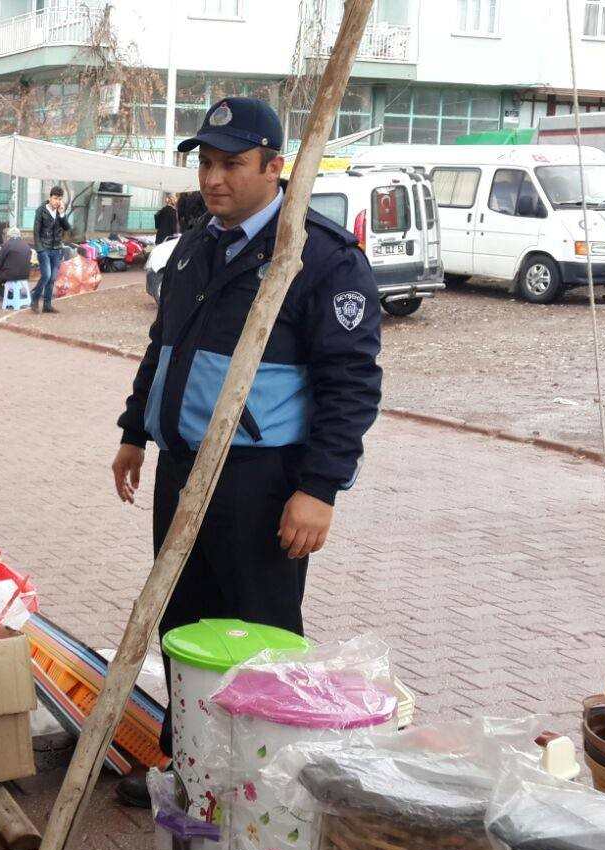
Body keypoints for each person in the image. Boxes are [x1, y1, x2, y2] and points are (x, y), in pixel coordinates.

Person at [109, 97, 383, 807]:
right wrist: (135, 431)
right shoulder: (197, 245)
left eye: (231, 163)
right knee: (181, 620)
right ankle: (187, 763)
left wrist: (319, 488)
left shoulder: (316, 257)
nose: (213, 178)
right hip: (181, 472)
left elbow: (350, 383)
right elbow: (160, 349)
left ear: (275, 166)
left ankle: (263, 778)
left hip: (261, 482)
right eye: (205, 163)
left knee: (259, 630)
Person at [32, 186, 71, 313]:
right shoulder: (41, 210)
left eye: (60, 199)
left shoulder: (60, 212)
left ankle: (47, 305)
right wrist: (39, 249)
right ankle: (35, 297)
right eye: (55, 198)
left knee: (52, 278)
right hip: (44, 248)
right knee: (46, 275)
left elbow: (67, 228)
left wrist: (62, 214)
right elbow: (36, 231)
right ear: (50, 198)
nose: (57, 201)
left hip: (57, 249)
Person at [0, 227, 32, 299]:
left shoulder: (7, 245)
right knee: (4, 276)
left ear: (9, 236)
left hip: (11, 275)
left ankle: (9, 296)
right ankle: (13, 294)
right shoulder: (26, 245)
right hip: (25, 275)